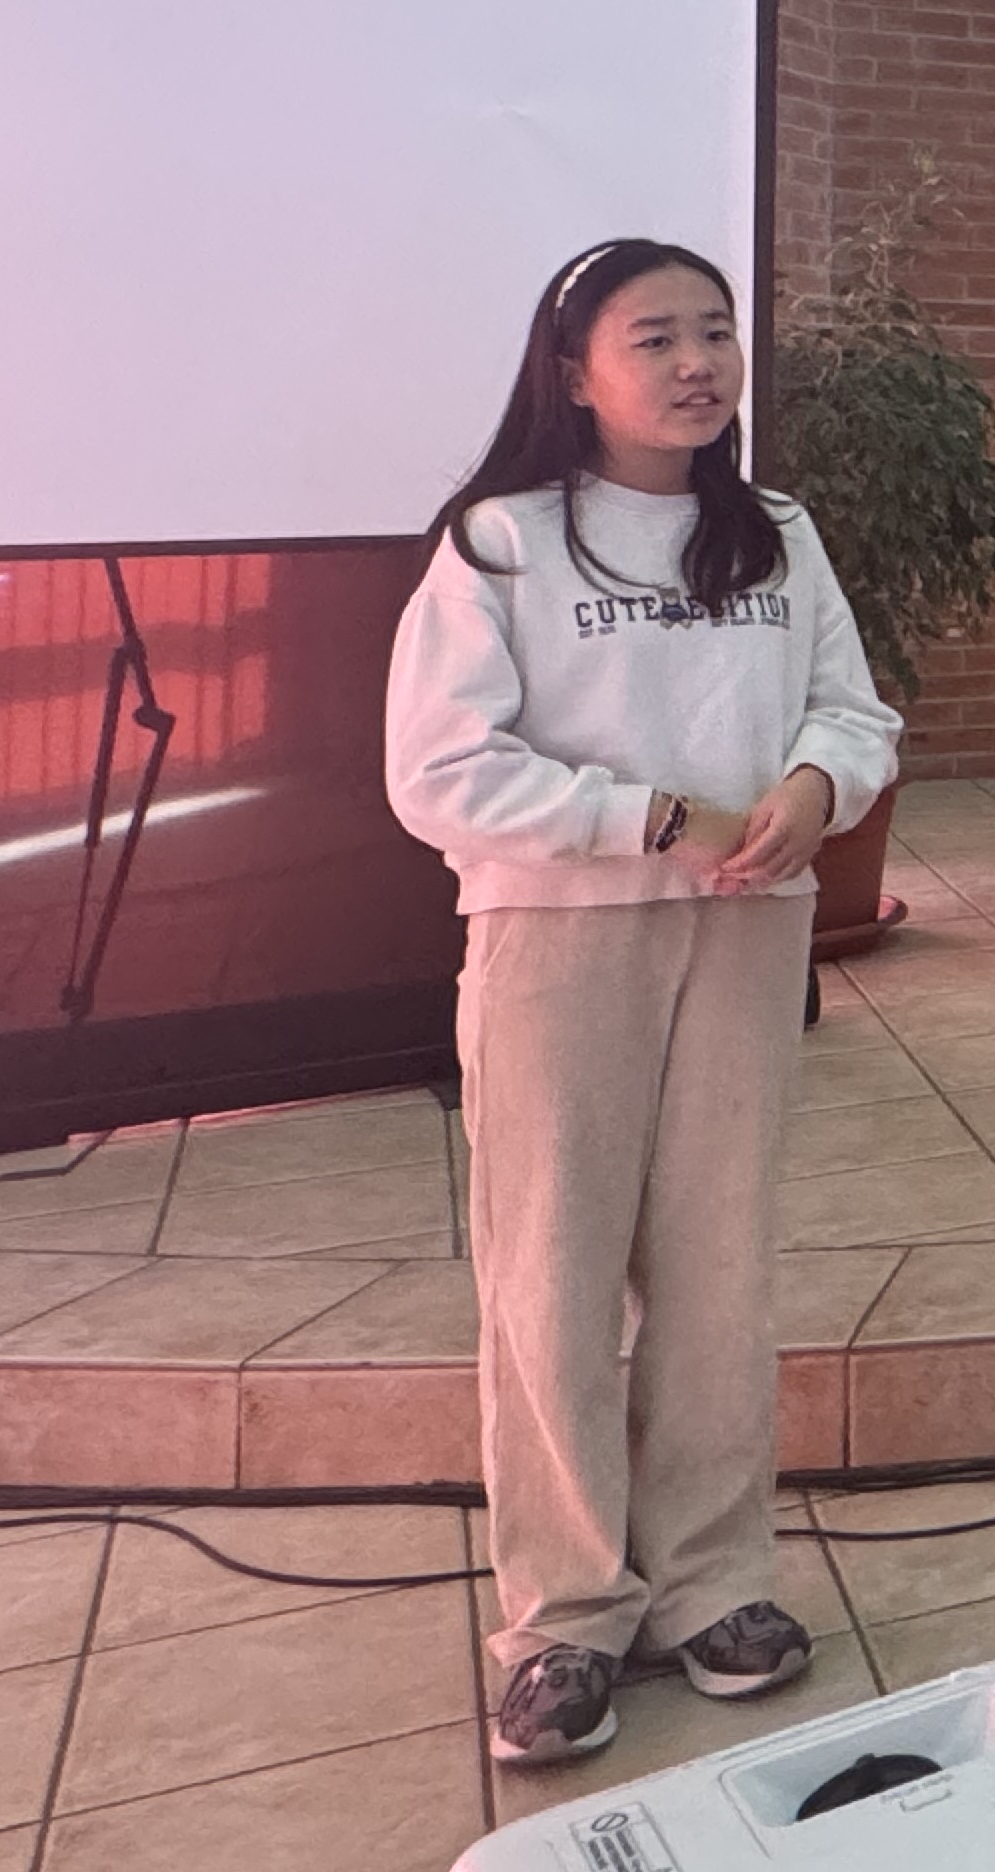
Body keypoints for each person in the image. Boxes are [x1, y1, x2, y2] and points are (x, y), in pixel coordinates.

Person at [385, 239, 901, 1769]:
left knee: (720, 1266)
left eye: (716, 333)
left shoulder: (777, 533)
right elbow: (438, 770)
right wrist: (647, 818)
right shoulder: (502, 541)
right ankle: (564, 1615)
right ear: (573, 372)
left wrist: (817, 786)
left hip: (746, 936)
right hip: (563, 939)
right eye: (656, 337)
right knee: (550, 1272)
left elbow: (853, 710)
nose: (697, 364)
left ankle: (714, 1584)